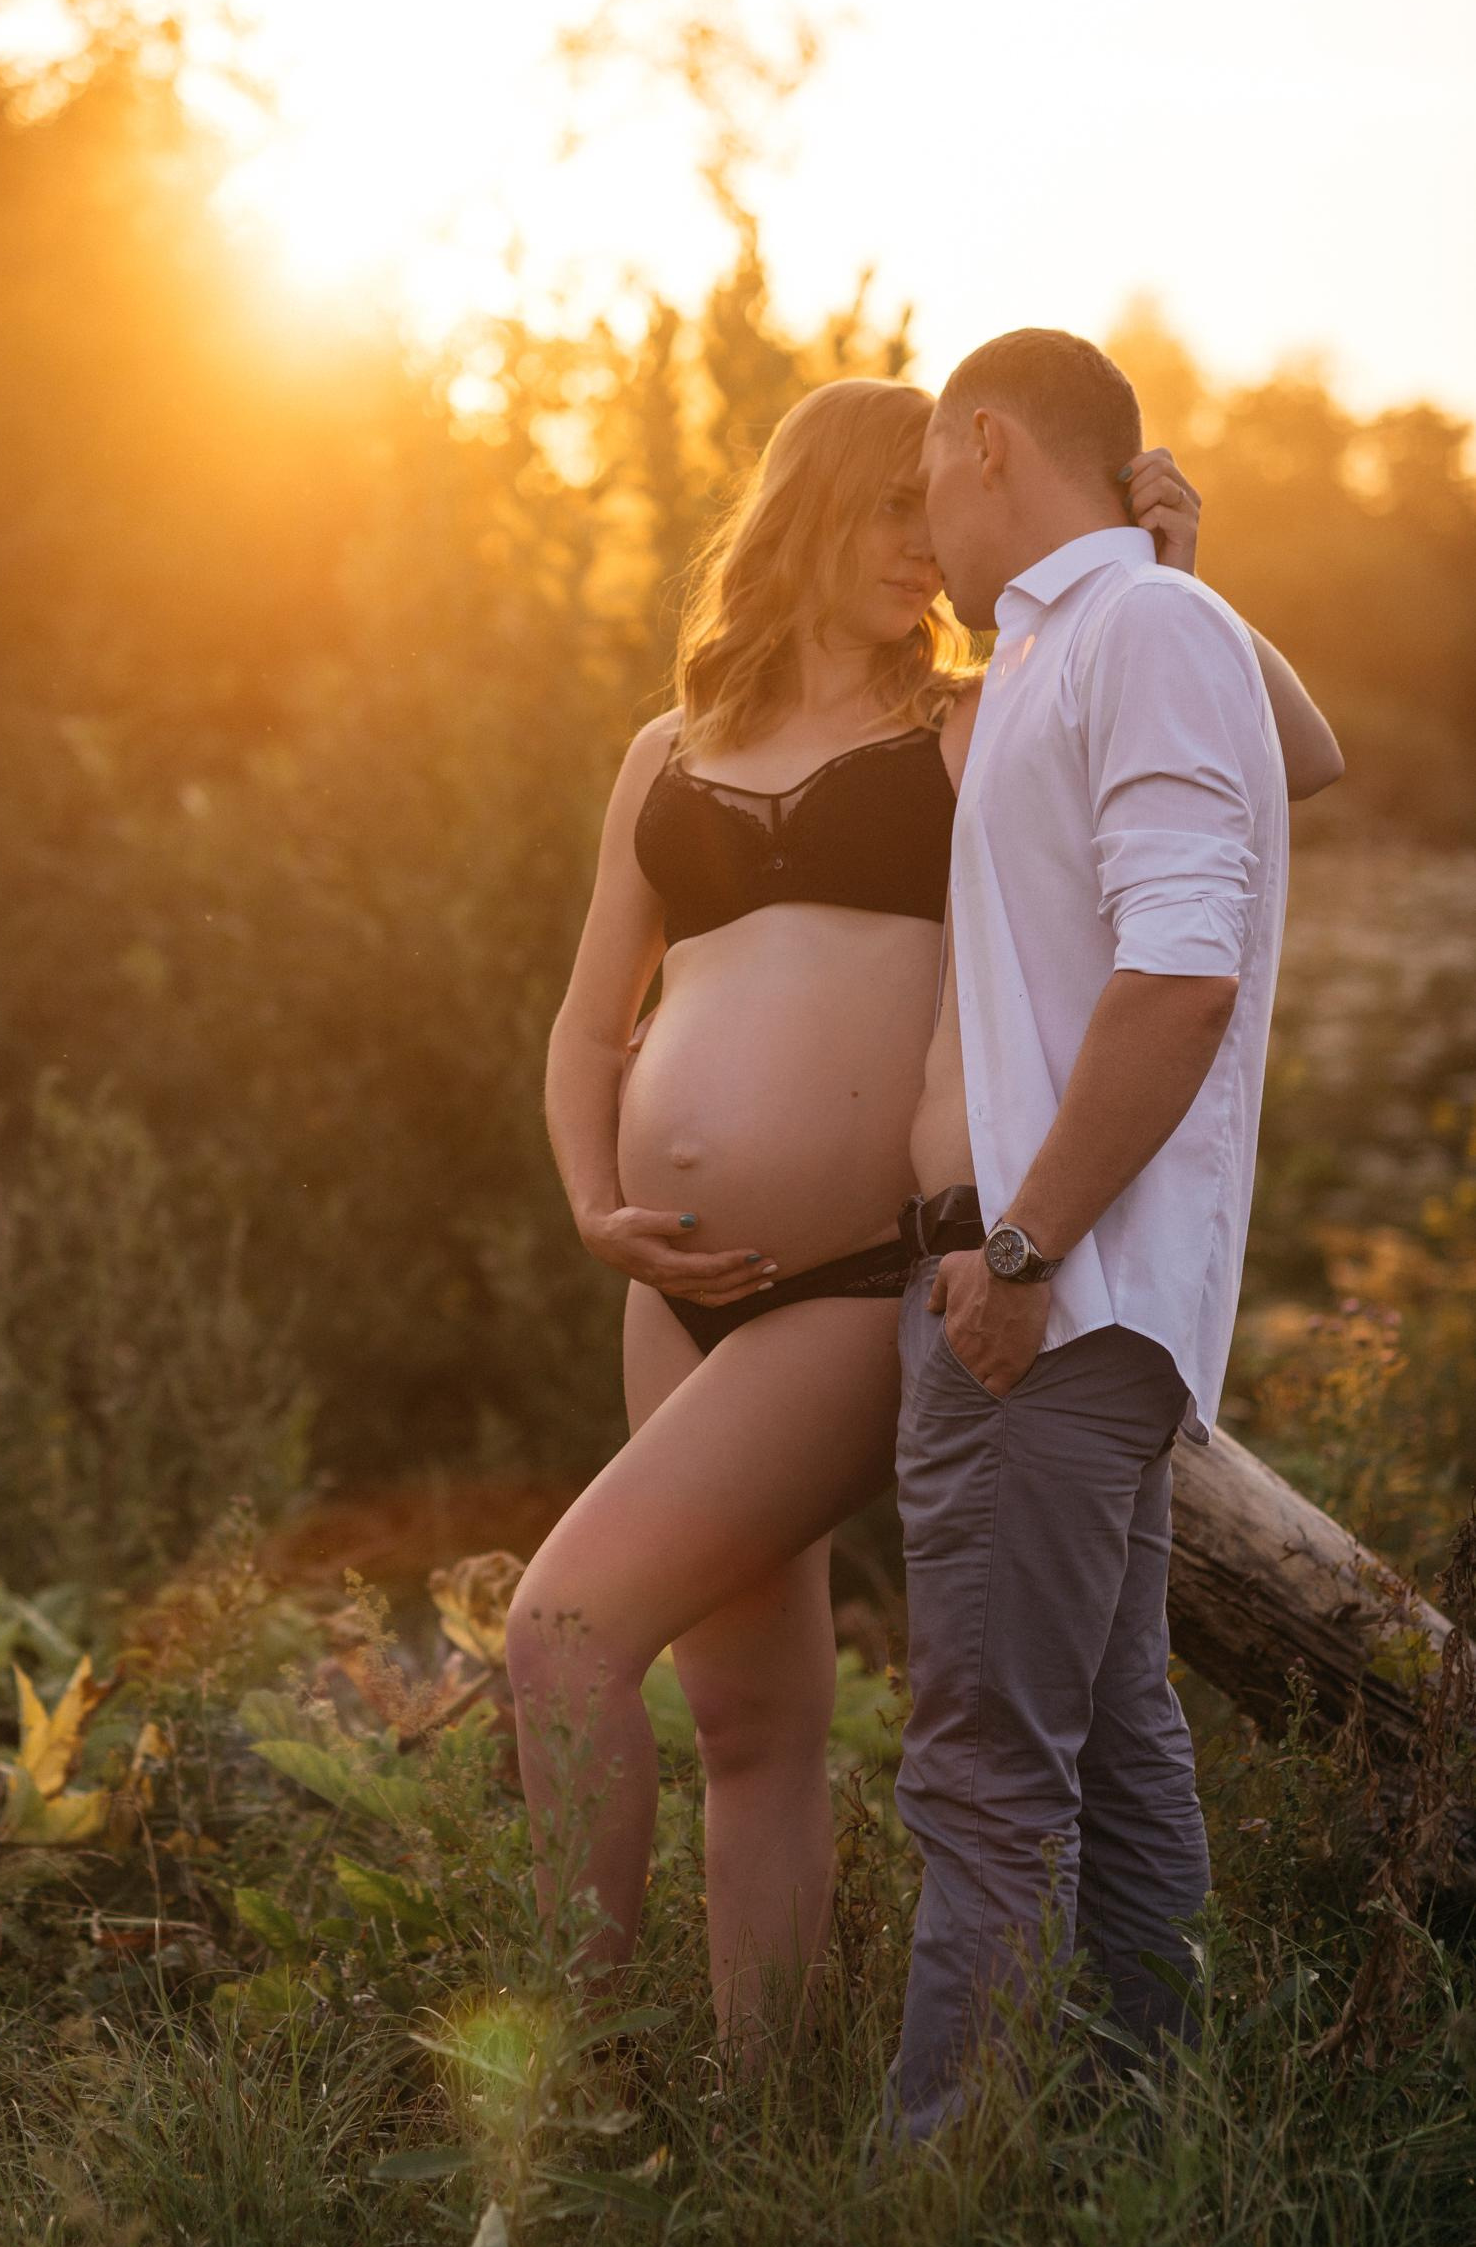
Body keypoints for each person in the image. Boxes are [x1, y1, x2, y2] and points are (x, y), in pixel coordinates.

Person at [507, 367, 1340, 2066]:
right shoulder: (666, 749)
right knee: (753, 1726)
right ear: (807, 510)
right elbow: (593, 1019)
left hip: (843, 1281)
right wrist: (598, 1207)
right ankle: (764, 2117)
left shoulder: (980, 715)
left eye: (934, 505)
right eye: (888, 511)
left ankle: (559, 2096)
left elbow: (1295, 762)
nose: (923, 547)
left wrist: (1161, 561)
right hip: (670, 1289)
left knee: (563, 1632)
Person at [890, 325, 1332, 2136]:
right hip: (1080, 1292)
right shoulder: (1102, 634)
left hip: (1056, 1294)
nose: (918, 519)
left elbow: (1178, 976)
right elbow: (1281, 752)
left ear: (985, 440)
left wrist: (1016, 1254)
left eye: (924, 472)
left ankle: (933, 2213)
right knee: (1118, 1738)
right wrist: (1175, 574)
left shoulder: (1135, 632)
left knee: (990, 1769)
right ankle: (1127, 2169)